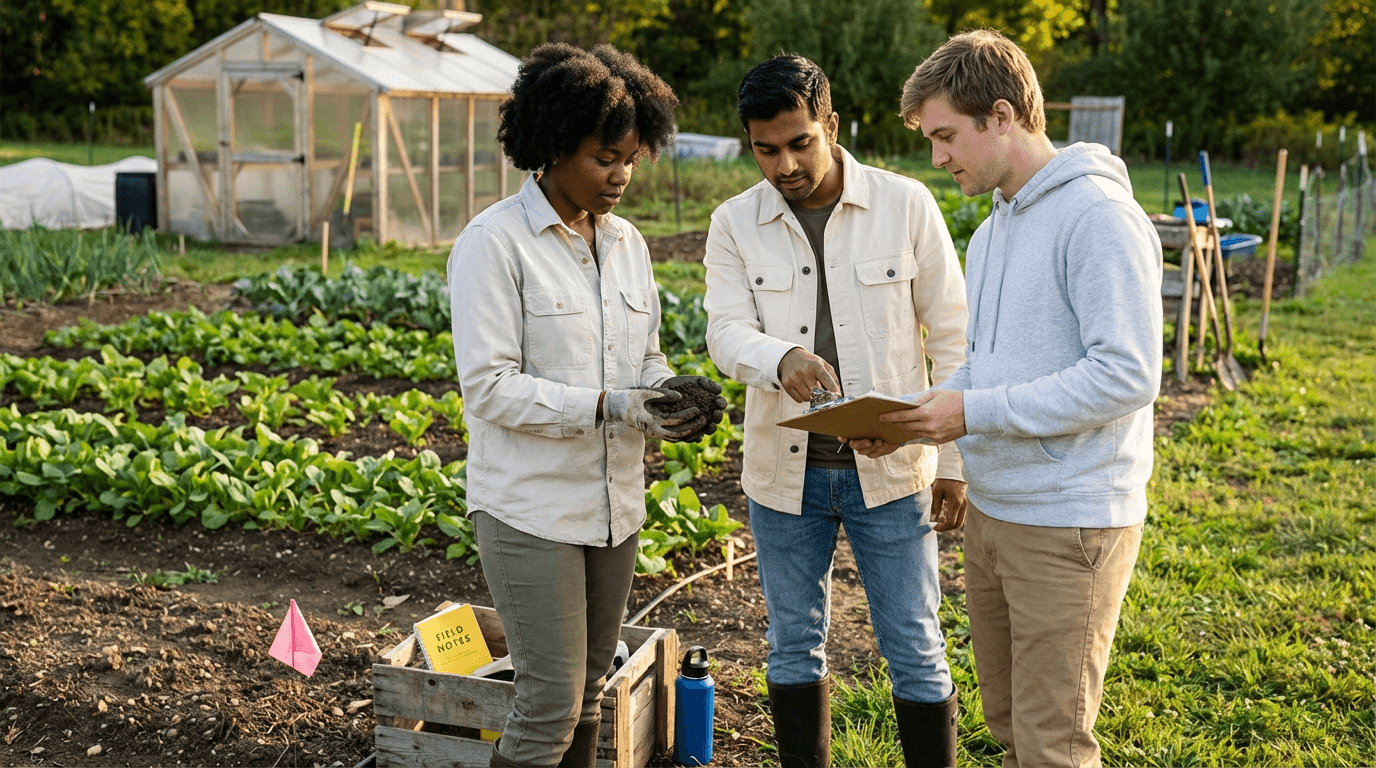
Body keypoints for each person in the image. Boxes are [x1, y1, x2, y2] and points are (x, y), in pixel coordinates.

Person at [887, 29, 1163, 768]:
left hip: (1070, 520)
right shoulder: (993, 231)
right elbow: (987, 367)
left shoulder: (1098, 217)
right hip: (999, 509)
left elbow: (1128, 374)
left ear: (1002, 116)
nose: (937, 157)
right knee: (1011, 724)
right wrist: (919, 416)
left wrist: (970, 414)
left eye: (946, 136)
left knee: (1053, 743)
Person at [447, 43, 725, 768]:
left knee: (591, 692)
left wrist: (670, 395)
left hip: (612, 506)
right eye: (605, 157)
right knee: (547, 706)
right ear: (553, 146)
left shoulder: (627, 245)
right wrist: (613, 406)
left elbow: (646, 357)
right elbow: (489, 387)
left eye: (631, 157)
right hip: (529, 509)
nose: (621, 175)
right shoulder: (495, 245)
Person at [702, 54, 970, 768]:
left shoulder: (905, 203)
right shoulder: (733, 223)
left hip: (894, 470)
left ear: (832, 125)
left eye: (800, 143)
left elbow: (953, 335)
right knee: (793, 644)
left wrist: (952, 459)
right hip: (783, 477)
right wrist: (779, 360)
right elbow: (723, 331)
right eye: (766, 149)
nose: (784, 164)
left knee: (914, 642)